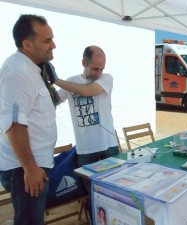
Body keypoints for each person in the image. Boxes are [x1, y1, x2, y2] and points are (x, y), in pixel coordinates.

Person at [0, 14, 57, 225]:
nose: (54, 45)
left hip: (32, 165)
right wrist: (30, 168)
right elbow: (13, 124)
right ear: (27, 44)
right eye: (46, 41)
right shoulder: (19, 72)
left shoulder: (30, 69)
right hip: (24, 169)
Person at [53, 45, 119, 216]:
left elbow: (88, 91)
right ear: (84, 62)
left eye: (102, 68)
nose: (99, 73)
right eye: (95, 68)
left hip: (108, 146)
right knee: (91, 194)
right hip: (85, 150)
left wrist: (54, 79)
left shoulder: (107, 78)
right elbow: (52, 101)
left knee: (115, 192)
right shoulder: (71, 81)